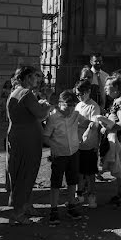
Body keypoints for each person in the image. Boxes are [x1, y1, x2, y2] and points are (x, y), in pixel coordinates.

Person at [4, 66, 52, 224]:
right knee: (26, 172)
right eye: (33, 77)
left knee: (19, 171)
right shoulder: (26, 93)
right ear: (25, 78)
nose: (36, 80)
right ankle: (18, 212)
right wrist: (46, 105)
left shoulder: (16, 92)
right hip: (27, 139)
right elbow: (41, 114)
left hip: (18, 136)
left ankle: (25, 205)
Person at [43, 90, 85, 224]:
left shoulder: (76, 115)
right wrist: (54, 147)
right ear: (60, 104)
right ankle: (54, 209)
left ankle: (71, 205)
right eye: (68, 105)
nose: (71, 108)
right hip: (59, 155)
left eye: (73, 105)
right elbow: (45, 136)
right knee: (56, 181)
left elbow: (87, 122)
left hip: (73, 152)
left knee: (73, 180)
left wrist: (94, 123)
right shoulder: (53, 119)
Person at [99, 74, 121, 208]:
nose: (105, 89)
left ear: (116, 88)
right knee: (119, 166)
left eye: (108, 87)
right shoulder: (119, 100)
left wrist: (108, 128)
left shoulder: (120, 102)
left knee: (120, 166)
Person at [73, 80, 103, 207]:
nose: (79, 97)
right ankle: (79, 194)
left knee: (90, 173)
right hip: (77, 144)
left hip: (89, 145)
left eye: (81, 94)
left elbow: (95, 124)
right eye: (77, 94)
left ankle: (92, 196)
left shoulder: (93, 106)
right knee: (79, 172)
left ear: (88, 92)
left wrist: (81, 122)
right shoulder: (78, 105)